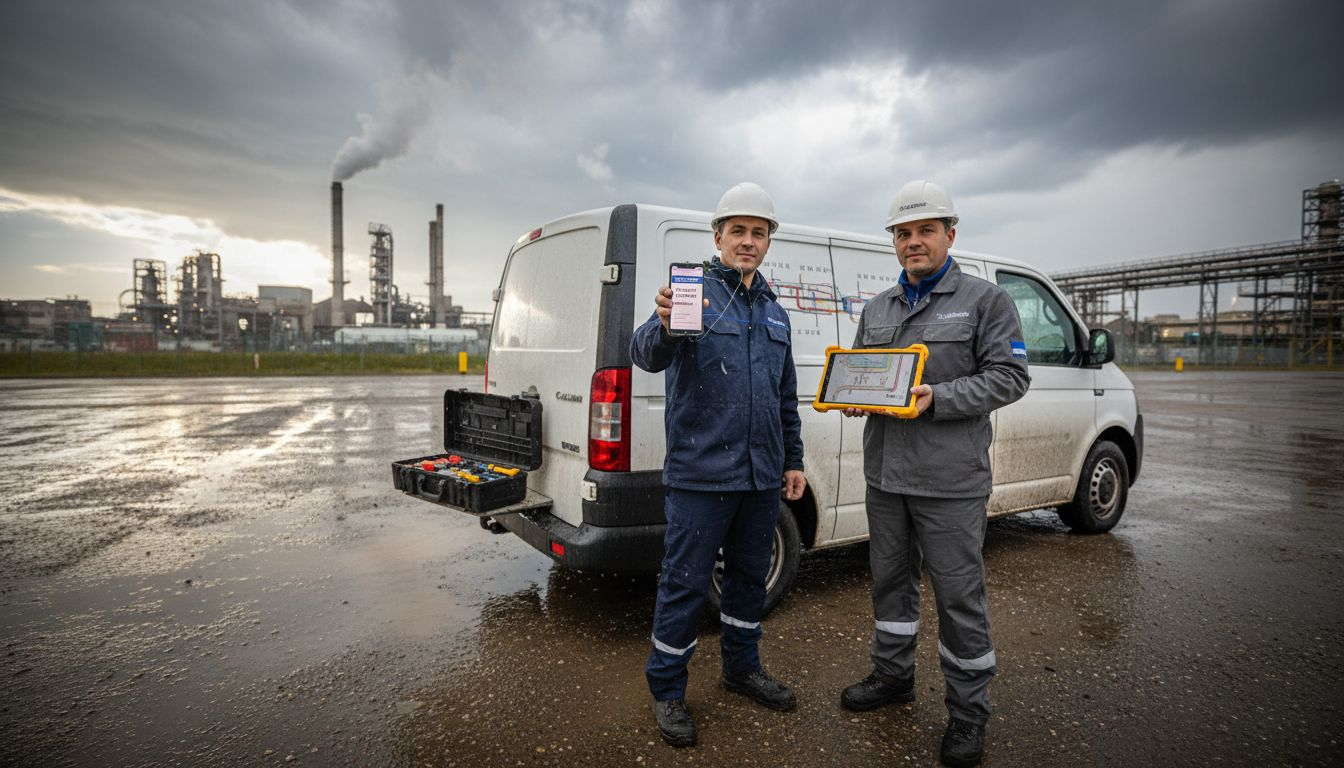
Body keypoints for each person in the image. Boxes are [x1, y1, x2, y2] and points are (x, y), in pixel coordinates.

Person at [839, 180, 1030, 767]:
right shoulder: (877, 308)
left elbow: (1011, 377)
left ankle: (968, 713)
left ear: (951, 233)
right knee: (890, 585)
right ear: (893, 241)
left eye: (925, 231)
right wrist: (854, 397)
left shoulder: (984, 301)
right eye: (903, 233)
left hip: (949, 482)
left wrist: (936, 397)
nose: (913, 242)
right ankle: (892, 676)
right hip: (886, 478)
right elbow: (865, 374)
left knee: (958, 598)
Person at [630, 182, 807, 748]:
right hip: (701, 478)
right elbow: (644, 355)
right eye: (738, 231)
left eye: (759, 232)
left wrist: (793, 461)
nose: (748, 242)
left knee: (748, 581)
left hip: (761, 479)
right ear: (718, 236)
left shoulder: (775, 312)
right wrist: (661, 324)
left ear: (768, 241)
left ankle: (741, 670)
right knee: (683, 586)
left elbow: (785, 399)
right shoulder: (692, 294)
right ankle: (668, 691)